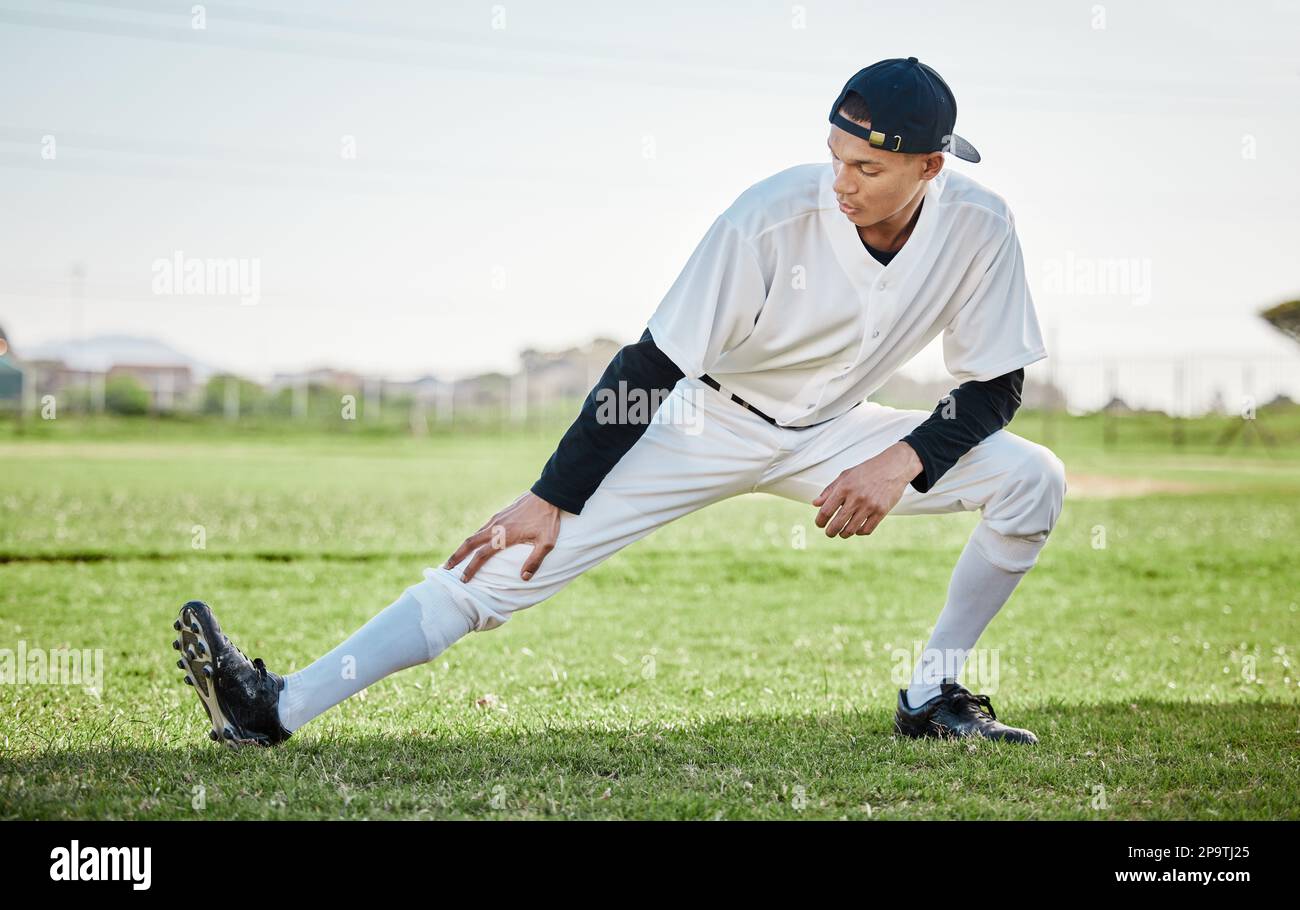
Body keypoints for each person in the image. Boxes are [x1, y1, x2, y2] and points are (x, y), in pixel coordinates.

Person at [173, 56, 1065, 748]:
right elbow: (650, 366)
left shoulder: (980, 225)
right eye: (834, 157)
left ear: (928, 165)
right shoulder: (767, 216)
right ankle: (275, 707)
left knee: (1034, 483)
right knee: (510, 565)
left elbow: (997, 381)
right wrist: (552, 495)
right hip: (702, 418)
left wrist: (901, 458)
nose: (840, 182)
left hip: (837, 434)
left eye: (867, 167)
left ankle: (931, 695)